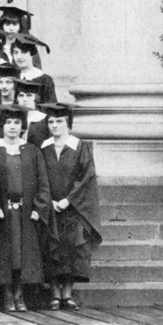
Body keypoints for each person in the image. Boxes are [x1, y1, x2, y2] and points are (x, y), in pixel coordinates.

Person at [0, 107, 51, 312]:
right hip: (4, 213)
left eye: (16, 123)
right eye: (8, 123)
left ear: (22, 126)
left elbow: (42, 182)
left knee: (22, 255)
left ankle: (19, 295)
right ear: (2, 126)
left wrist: (38, 207)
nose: (12, 127)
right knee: (6, 254)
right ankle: (6, 295)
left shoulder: (32, 150)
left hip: (25, 211)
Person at [40, 104, 100, 310]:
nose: (54, 125)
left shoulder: (79, 146)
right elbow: (39, 178)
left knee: (73, 248)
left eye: (59, 121)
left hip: (73, 208)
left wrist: (68, 200)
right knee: (52, 247)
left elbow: (86, 177)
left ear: (68, 124)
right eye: (51, 121)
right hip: (50, 206)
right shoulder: (43, 147)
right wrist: (49, 200)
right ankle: (55, 293)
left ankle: (68, 292)